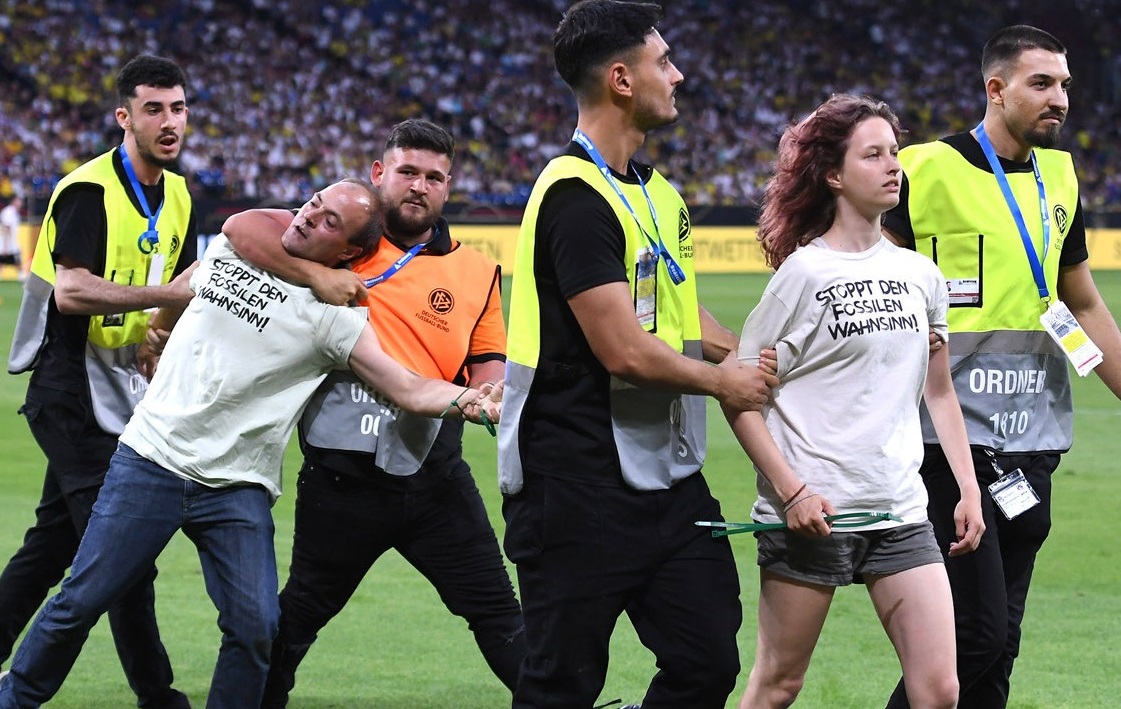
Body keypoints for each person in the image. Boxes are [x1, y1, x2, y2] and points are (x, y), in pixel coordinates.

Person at [0, 179, 501, 709]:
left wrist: (465, 400)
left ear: (351, 252)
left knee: (256, 626)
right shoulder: (237, 244)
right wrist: (158, 331)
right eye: (314, 203)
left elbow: (406, 386)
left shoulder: (337, 319)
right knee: (81, 599)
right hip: (152, 459)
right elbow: (213, 255)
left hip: (236, 487)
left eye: (330, 221)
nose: (309, 217)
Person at [497, 2, 778, 707]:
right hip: (574, 479)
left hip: (665, 477)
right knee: (559, 683)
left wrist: (760, 354)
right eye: (663, 62)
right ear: (620, 79)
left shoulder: (657, 193)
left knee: (707, 657)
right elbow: (622, 347)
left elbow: (678, 317)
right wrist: (722, 382)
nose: (677, 76)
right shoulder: (573, 197)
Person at [223, 118, 525, 706]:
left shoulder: (477, 271)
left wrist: (489, 394)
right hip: (341, 482)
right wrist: (312, 273)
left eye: (434, 177)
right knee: (296, 620)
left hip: (437, 479)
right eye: (408, 171)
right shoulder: (339, 240)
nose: (419, 186)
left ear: (448, 186)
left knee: (498, 614)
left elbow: (486, 360)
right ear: (379, 174)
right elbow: (243, 229)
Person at [881, 25, 1121, 709]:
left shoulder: (1060, 178)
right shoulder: (922, 170)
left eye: (1065, 86)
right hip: (943, 441)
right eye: (1041, 83)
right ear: (995, 88)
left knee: (1000, 643)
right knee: (972, 635)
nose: (1060, 99)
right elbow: (862, 276)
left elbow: (1082, 304)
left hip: (1031, 438)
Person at [723, 94, 984, 709]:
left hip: (899, 511)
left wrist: (968, 488)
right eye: (873, 155)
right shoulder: (802, 275)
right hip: (812, 515)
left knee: (940, 691)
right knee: (778, 686)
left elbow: (939, 392)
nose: (893, 165)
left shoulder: (922, 275)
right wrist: (791, 492)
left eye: (894, 153)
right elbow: (740, 399)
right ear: (834, 176)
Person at [2, 54, 196, 708]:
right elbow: (73, 291)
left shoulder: (180, 193)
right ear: (124, 116)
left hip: (123, 395)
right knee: (122, 554)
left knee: (53, 544)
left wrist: (158, 330)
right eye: (154, 109)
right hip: (69, 392)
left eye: (178, 108)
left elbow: (186, 282)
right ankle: (157, 694)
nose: (169, 122)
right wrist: (160, 294)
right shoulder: (88, 190)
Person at [0, 196, 21, 276]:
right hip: (8, 241)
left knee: (15, 259)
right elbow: (6, 228)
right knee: (13, 258)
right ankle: (21, 276)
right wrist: (6, 245)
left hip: (11, 241)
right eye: (18, 201)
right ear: (13, 201)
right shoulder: (8, 212)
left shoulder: (14, 212)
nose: (20, 204)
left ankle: (21, 275)